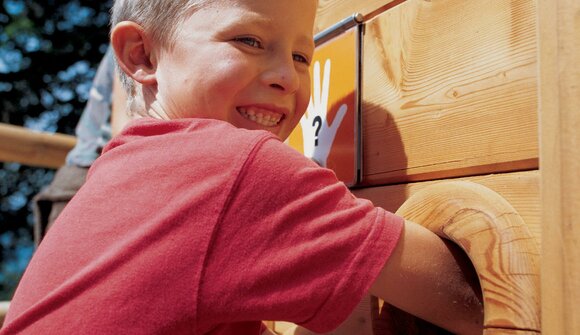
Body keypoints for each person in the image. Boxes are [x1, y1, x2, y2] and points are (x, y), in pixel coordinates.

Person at [1, 1, 483, 334]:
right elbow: (476, 300)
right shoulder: (230, 166)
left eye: (301, 56)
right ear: (142, 54)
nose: (284, 77)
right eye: (249, 40)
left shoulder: (123, 170)